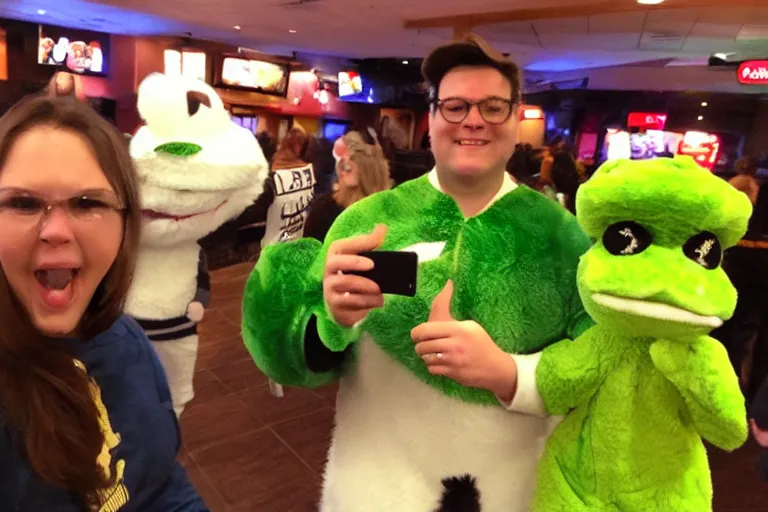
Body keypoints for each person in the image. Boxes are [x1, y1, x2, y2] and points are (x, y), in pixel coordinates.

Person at [242, 33, 592, 511]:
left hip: (513, 489)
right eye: (454, 106)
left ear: (516, 119)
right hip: (377, 486)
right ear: (431, 120)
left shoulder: (564, 237)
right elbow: (293, 358)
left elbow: (597, 361)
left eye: (492, 106)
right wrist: (329, 321)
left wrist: (509, 374)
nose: (472, 119)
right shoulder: (368, 220)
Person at [0, 95, 207, 511]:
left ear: (125, 223)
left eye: (87, 203)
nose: (55, 230)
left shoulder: (126, 338)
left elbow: (160, 482)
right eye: (23, 203)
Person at [303, 129, 391, 243]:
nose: (344, 167)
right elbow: (308, 257)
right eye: (342, 163)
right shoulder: (323, 213)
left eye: (353, 159)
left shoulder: (389, 211)